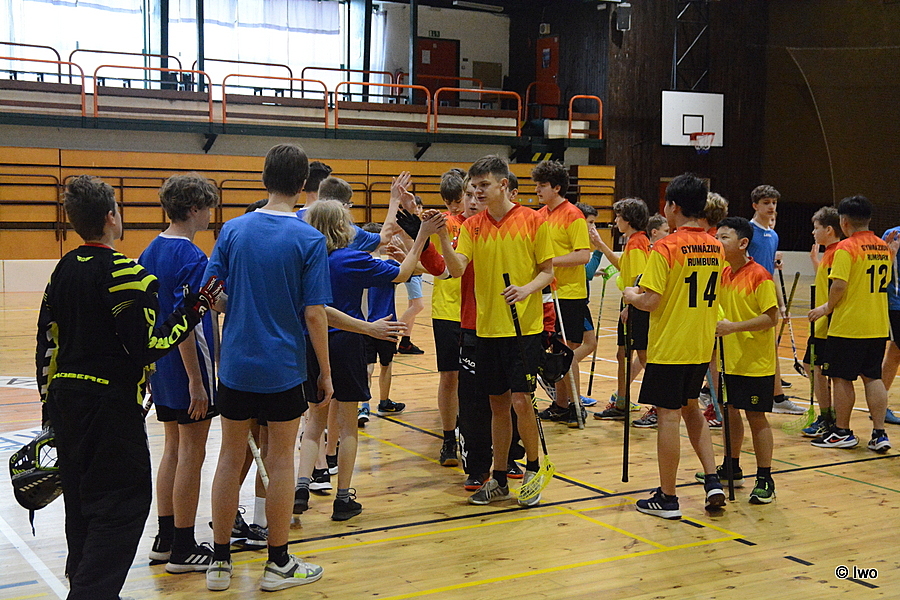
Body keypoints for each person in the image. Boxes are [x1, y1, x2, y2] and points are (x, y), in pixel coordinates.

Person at [36, 175, 221, 600]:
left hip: (66, 402)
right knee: (123, 504)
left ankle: (85, 584)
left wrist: (50, 407)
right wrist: (196, 308)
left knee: (81, 503)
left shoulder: (62, 270)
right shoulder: (125, 272)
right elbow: (149, 346)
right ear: (110, 218)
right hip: (109, 406)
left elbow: (46, 344)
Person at [204, 143, 330, 592]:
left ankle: (220, 563)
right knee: (280, 461)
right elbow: (314, 313)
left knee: (228, 457)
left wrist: (235, 307)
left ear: (263, 178)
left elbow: (209, 294)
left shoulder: (233, 230)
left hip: (236, 366)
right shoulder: (309, 239)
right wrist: (326, 372)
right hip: (283, 368)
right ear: (303, 184)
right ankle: (277, 563)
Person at [294, 199, 441, 521]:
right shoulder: (351, 258)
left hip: (310, 342)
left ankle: (302, 486)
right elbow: (403, 273)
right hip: (346, 342)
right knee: (348, 426)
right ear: (341, 226)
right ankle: (343, 498)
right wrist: (422, 236)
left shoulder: (305, 259)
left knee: (315, 421)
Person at [442, 155, 555, 507]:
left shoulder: (534, 221)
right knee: (498, 404)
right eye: (473, 186)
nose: (477, 192)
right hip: (487, 330)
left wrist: (525, 289)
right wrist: (442, 238)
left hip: (524, 330)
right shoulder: (473, 226)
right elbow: (457, 268)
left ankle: (533, 470)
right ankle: (500, 478)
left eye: (484, 185)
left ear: (503, 185)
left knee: (521, 401)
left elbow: (548, 271)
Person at [623, 173, 725, 519]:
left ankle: (668, 497)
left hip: (670, 345)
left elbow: (651, 300)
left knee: (668, 416)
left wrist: (631, 296)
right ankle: (712, 480)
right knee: (691, 408)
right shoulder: (715, 245)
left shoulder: (666, 247)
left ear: (673, 206)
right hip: (700, 344)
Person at [140, 174, 221, 572]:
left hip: (160, 363)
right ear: (193, 209)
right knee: (192, 451)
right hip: (189, 366)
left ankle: (165, 537)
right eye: (208, 208)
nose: (211, 215)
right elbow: (186, 323)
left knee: (172, 448)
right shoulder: (192, 257)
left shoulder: (149, 250)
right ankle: (185, 548)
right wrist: (197, 381)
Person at [701, 217, 779, 504]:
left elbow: (772, 318)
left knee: (756, 417)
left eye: (724, 237)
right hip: (728, 360)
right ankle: (731, 466)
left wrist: (733, 327)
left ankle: (765, 478)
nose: (718, 242)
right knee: (730, 412)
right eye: (717, 237)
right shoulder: (721, 273)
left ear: (743, 243)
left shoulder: (760, 276)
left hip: (754, 362)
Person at [809, 195, 894, 452]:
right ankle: (879, 433)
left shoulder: (846, 248)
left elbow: (839, 284)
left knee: (841, 378)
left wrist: (827, 307)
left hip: (849, 325)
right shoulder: (883, 247)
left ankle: (842, 432)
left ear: (843, 222)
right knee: (873, 377)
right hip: (877, 324)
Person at [532, 160, 591, 427]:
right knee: (555, 352)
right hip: (546, 293)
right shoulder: (540, 215)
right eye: (537, 185)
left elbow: (583, 255)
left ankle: (576, 406)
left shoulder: (573, 215)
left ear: (557, 187)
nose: (537, 190)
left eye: (542, 185)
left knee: (567, 352)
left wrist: (549, 262)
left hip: (569, 294)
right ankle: (561, 405)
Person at [591, 198, 650, 421]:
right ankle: (622, 402)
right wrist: (601, 245)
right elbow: (623, 267)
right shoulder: (633, 241)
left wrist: (629, 307)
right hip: (630, 303)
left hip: (635, 305)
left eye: (618, 216)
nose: (616, 220)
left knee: (643, 355)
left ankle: (660, 404)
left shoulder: (637, 243)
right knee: (623, 353)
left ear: (629, 219)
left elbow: (639, 279)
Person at [747, 185, 804, 413]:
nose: (771, 207)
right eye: (766, 203)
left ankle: (776, 397)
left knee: (769, 349)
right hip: (748, 297)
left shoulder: (773, 235)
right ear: (755, 205)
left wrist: (781, 304)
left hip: (766, 297)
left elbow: (770, 273)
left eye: (774, 203)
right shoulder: (748, 231)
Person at [428, 169, 466, 465]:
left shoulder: (478, 223)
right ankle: (449, 437)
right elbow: (429, 261)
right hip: (446, 310)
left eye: (459, 199)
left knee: (474, 379)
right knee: (449, 376)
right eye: (449, 202)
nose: (455, 206)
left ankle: (471, 431)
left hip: (477, 312)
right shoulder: (442, 223)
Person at [800, 206, 842, 437]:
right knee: (814, 367)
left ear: (829, 230)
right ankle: (829, 414)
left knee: (816, 368)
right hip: (822, 323)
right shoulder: (830, 254)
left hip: (826, 325)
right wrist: (815, 261)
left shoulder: (837, 253)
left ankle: (827, 416)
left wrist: (825, 310)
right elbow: (827, 279)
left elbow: (838, 287)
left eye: (816, 228)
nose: (813, 232)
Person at [358, 222, 401, 427]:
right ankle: (384, 402)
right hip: (388, 324)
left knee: (367, 367)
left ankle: (363, 406)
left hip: (364, 325)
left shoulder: (357, 266)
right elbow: (413, 269)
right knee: (386, 364)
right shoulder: (389, 267)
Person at [397, 195, 427, 355]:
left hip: (418, 272)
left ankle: (405, 342)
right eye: (415, 206)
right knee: (418, 305)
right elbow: (412, 255)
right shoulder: (407, 229)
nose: (418, 210)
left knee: (412, 307)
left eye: (420, 207)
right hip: (412, 272)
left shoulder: (419, 226)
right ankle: (391, 332)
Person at [880, 217, 900, 426]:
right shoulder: (893, 234)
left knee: (895, 352)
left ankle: (880, 404)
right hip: (897, 304)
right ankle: (880, 404)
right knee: (895, 352)